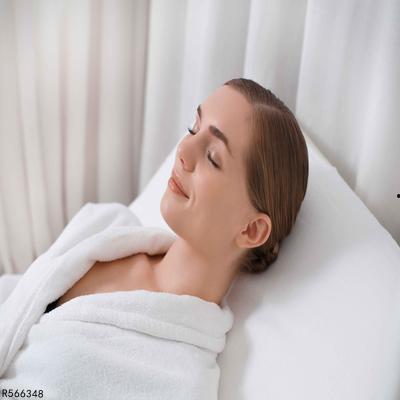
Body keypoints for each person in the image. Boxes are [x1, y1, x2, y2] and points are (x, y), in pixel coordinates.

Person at [154, 77, 309, 306]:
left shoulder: (160, 331)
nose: (183, 149)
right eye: (194, 129)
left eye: (213, 157)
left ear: (251, 230)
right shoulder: (111, 222)